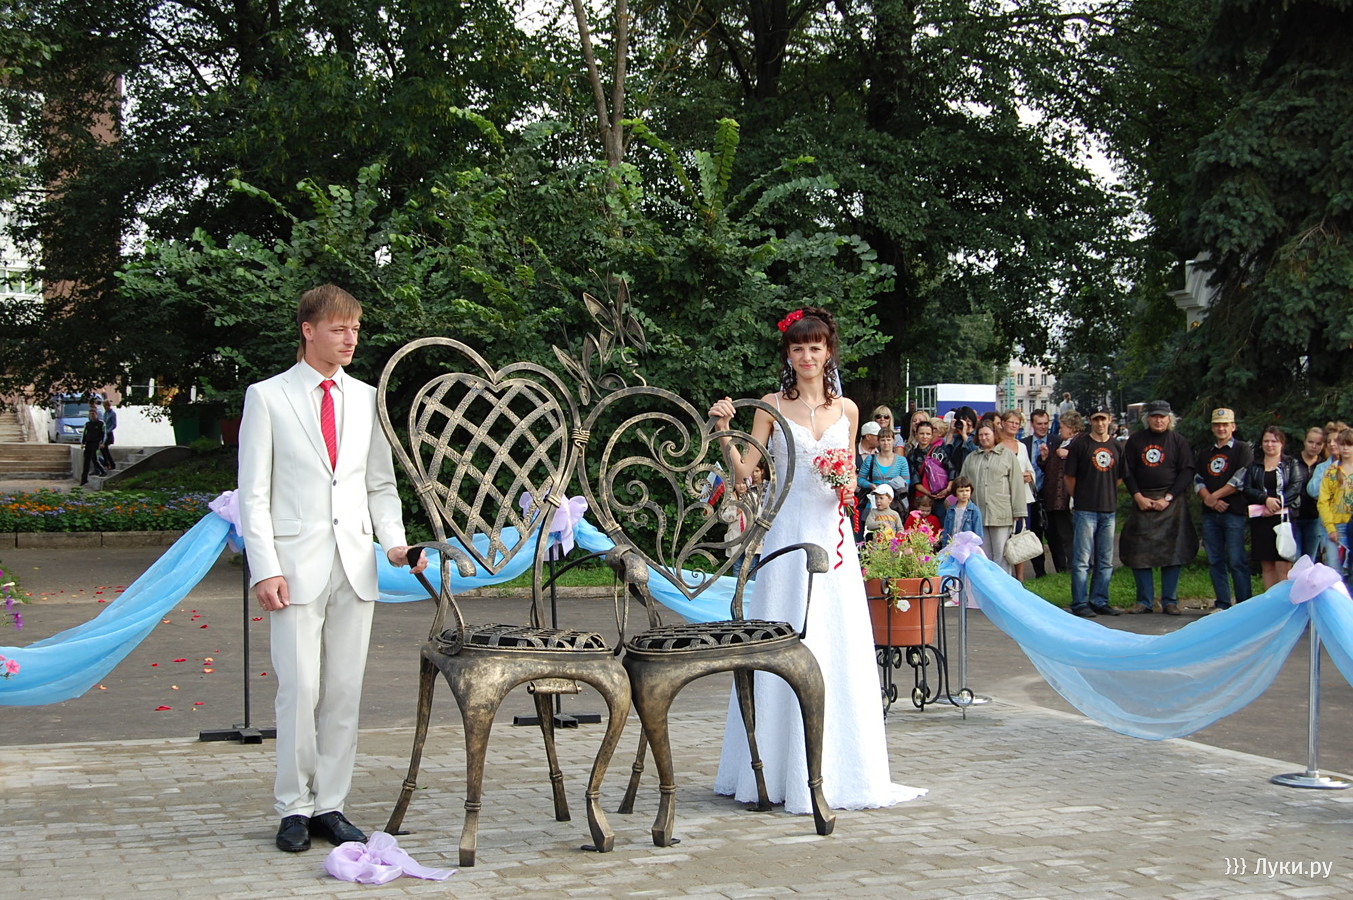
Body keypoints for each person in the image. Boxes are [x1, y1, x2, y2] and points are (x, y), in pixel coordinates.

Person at [709, 306, 924, 812]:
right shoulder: (770, 406)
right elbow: (745, 474)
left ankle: (843, 770)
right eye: (798, 348)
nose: (807, 356)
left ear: (828, 352)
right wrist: (723, 430)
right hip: (787, 533)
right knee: (783, 637)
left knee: (836, 641)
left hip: (833, 535)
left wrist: (847, 485)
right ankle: (771, 770)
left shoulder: (847, 410)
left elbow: (847, 473)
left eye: (815, 347)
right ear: (788, 354)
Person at [238, 284, 428, 854]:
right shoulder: (267, 397)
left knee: (345, 690)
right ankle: (293, 807)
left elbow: (380, 485)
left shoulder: (368, 398)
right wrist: (264, 567)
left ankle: (331, 805)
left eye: (355, 330)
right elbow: (254, 494)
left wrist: (394, 545)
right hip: (294, 567)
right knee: (299, 690)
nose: (350, 339)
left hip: (355, 563)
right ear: (309, 330)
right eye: (339, 329)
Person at [1119, 401, 1197, 615]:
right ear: (1148, 418)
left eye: (1162, 417)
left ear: (1169, 419)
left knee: (1173, 551)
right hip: (1142, 499)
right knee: (1139, 551)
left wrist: (1169, 497)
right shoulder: (1136, 440)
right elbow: (1127, 471)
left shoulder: (1178, 441)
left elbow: (1187, 471)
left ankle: (1169, 601)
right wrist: (1138, 496)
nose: (1158, 420)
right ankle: (1144, 601)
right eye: (1154, 416)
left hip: (1170, 501)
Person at [1064, 407, 1124, 618]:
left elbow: (1119, 477)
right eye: (1096, 419)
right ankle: (1080, 602)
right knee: (1082, 560)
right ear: (1090, 421)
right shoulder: (1080, 445)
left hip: (1108, 509)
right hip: (1085, 509)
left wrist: (1106, 493)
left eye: (1103, 419)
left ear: (1110, 420)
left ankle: (1100, 600)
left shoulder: (1117, 446)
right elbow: (1069, 477)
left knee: (1105, 560)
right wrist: (1079, 497)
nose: (1100, 423)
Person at [1194, 408, 1253, 611]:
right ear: (1212, 428)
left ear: (1233, 427)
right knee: (1215, 560)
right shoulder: (1205, 454)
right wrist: (1208, 500)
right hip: (1210, 514)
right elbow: (1198, 480)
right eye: (1218, 425)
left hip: (1233, 512)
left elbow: (1240, 479)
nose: (1221, 428)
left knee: (1237, 560)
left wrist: (1214, 496)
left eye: (1225, 424)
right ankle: (1223, 603)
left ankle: (1244, 604)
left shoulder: (1242, 449)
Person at [960, 422, 1026, 573]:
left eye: (987, 434)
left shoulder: (1007, 455)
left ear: (995, 435)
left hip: (1001, 513)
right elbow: (963, 482)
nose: (983, 438)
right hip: (978, 513)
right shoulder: (971, 458)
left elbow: (1016, 484)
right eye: (981, 435)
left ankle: (1003, 586)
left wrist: (1019, 512)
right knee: (984, 556)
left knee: (1001, 556)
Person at [1243, 426, 1301, 589]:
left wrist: (1277, 504)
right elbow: (1247, 489)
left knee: (1283, 565)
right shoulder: (1254, 466)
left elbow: (1295, 487)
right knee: (1267, 566)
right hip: (1261, 519)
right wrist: (1265, 500)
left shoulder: (1290, 463)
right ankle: (1269, 599)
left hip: (1283, 519)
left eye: (1274, 441)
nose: (1269, 445)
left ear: (1282, 443)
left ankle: (1283, 601)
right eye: (1266, 441)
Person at [1041, 411, 1082, 573]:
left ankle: (1074, 566)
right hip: (1056, 498)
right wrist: (1045, 458)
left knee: (1069, 534)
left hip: (1067, 497)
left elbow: (1083, 462)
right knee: (1061, 533)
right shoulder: (1062, 443)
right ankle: (1065, 567)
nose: (1060, 430)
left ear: (1071, 428)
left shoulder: (1078, 443)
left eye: (1063, 427)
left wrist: (1069, 455)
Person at [1000, 409, 1037, 580]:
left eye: (1017, 423)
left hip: (1023, 497)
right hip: (1003, 497)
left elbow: (1029, 468)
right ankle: (1003, 575)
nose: (1014, 426)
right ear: (1003, 423)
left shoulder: (1022, 446)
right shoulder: (998, 445)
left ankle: (1020, 577)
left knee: (1020, 536)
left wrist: (1029, 476)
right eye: (1011, 422)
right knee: (1003, 537)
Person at [1021, 409, 1058, 577]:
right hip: (1031, 494)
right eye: (1039, 424)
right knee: (1035, 533)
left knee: (1054, 534)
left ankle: (1061, 569)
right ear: (1032, 424)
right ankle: (1039, 572)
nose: (1043, 427)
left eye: (1045, 423)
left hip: (1050, 495)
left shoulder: (1056, 441)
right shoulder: (1024, 444)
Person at [1317, 428, 1353, 576]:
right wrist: (1330, 527)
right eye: (1342, 444)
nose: (1345, 448)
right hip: (1335, 526)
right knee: (1334, 572)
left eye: (1349, 445)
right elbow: (1323, 501)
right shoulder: (1331, 471)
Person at [858, 428, 909, 517]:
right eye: (882, 440)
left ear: (893, 441)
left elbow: (906, 483)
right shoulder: (870, 459)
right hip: (874, 503)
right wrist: (870, 485)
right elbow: (859, 479)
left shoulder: (902, 461)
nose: (886, 443)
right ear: (878, 441)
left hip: (894, 505)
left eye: (888, 440)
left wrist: (891, 487)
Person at [1293, 427, 1327, 561]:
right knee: (1295, 560)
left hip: (1314, 518)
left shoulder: (1324, 465)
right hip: (1294, 517)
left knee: (1310, 560)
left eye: (1318, 443)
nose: (1314, 446)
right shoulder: (1292, 461)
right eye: (1310, 442)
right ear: (1304, 441)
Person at [940, 476, 983, 547]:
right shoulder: (951, 510)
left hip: (967, 548)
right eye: (961, 491)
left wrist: (975, 549)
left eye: (967, 490)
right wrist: (945, 546)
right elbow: (946, 531)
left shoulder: (974, 511)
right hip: (952, 545)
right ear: (955, 492)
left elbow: (978, 533)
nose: (964, 493)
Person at [79, 408, 106, 485]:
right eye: (90, 414)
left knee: (94, 458)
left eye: (93, 414)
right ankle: (84, 479)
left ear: (96, 414)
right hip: (88, 443)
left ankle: (102, 471)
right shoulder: (87, 424)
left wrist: (102, 442)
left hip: (96, 443)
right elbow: (84, 434)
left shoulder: (101, 423)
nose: (92, 416)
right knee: (86, 462)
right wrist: (83, 443)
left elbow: (104, 434)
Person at [99, 398, 119, 471]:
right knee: (104, 449)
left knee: (104, 447)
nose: (105, 408)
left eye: (106, 406)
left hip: (109, 434)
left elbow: (114, 424)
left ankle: (109, 463)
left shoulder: (112, 414)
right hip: (104, 434)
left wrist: (108, 430)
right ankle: (109, 463)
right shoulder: (105, 413)